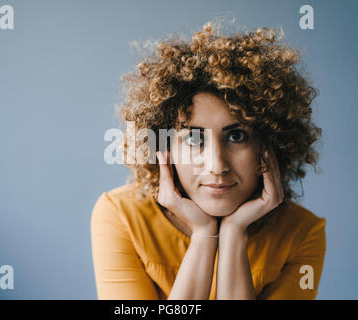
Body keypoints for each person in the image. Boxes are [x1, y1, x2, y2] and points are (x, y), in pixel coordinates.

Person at [91, 21, 326, 300]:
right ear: (165, 147)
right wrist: (204, 235)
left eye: (237, 136)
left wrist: (234, 235)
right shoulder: (121, 216)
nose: (217, 165)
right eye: (193, 139)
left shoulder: (302, 233)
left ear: (269, 143)